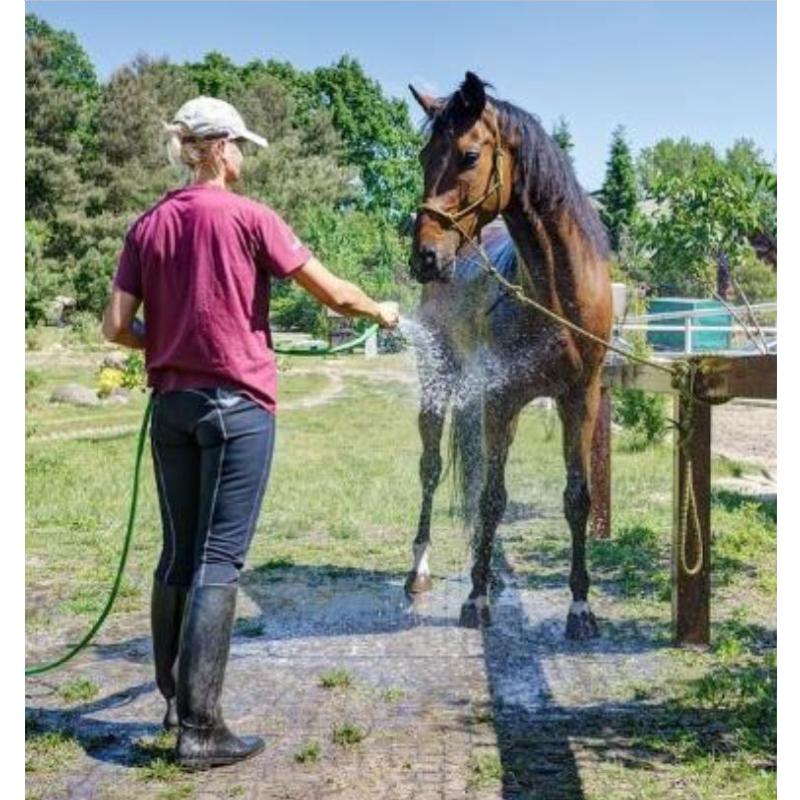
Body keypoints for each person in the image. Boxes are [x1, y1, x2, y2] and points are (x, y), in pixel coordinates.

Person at [101, 96, 399, 770]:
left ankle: (177, 704)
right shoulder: (251, 218)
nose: (243, 158)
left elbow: (115, 325)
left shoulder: (148, 225)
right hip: (237, 410)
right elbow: (336, 296)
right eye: (240, 146)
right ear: (218, 148)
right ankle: (202, 733)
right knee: (219, 559)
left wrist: (166, 345)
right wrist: (380, 308)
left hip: (173, 409)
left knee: (178, 551)